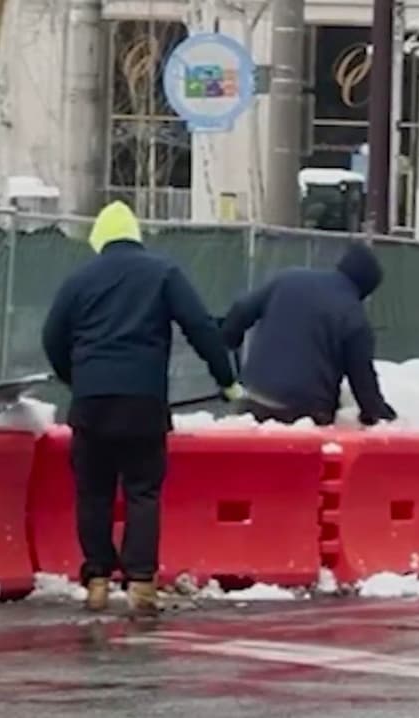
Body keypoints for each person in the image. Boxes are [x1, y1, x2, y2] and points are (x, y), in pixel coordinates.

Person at [41, 200, 243, 615]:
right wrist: (225, 378)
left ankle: (97, 578)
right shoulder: (162, 272)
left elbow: (52, 336)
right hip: (143, 402)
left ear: (99, 239)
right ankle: (141, 583)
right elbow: (201, 326)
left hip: (91, 402)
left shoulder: (79, 280)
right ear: (136, 235)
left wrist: (75, 378)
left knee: (93, 493)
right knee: (142, 492)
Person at [221, 242, 396, 426]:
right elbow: (362, 380)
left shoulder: (289, 278)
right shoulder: (354, 316)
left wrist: (230, 341)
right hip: (303, 412)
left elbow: (240, 311)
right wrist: (377, 413)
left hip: (252, 397)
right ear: (365, 289)